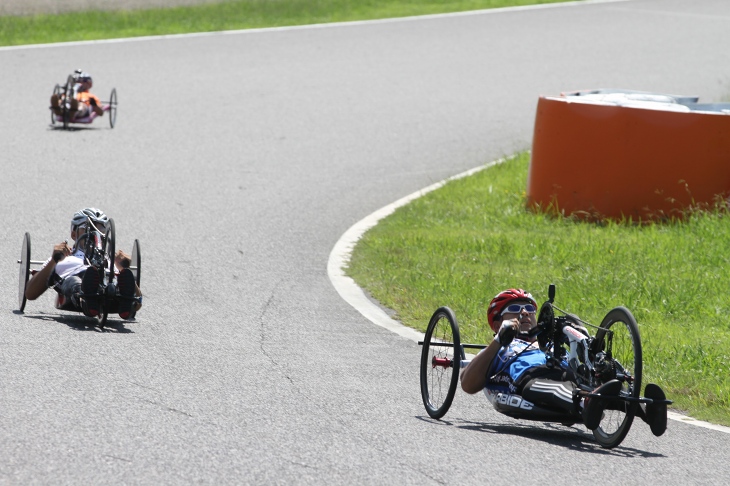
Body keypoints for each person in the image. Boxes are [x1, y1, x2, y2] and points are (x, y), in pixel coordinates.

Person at [460, 288, 622, 430]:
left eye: (529, 309)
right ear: (497, 325)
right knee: (554, 388)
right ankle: (586, 403)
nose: (524, 312)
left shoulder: (551, 343)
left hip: (565, 373)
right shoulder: (497, 348)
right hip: (528, 377)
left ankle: (644, 408)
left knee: (610, 389)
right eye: (515, 308)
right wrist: (499, 340)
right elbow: (467, 383)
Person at [25, 208, 142, 320]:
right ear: (74, 234)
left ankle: (125, 300)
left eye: (101, 228)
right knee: (75, 281)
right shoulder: (62, 256)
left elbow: (139, 303)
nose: (95, 232)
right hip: (74, 278)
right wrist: (54, 260)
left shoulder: (111, 261)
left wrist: (123, 268)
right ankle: (85, 297)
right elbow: (30, 293)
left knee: (118, 281)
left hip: (108, 280)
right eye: (87, 227)